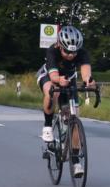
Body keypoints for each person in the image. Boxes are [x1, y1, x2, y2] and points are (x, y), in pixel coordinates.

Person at [36, 25, 96, 177]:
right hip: (49, 76)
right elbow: (54, 76)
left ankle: (75, 161)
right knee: (53, 92)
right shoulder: (52, 51)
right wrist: (57, 80)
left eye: (74, 52)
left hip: (69, 79)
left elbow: (86, 72)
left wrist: (89, 81)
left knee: (74, 117)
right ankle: (48, 125)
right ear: (59, 46)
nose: (71, 55)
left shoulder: (81, 53)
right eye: (67, 51)